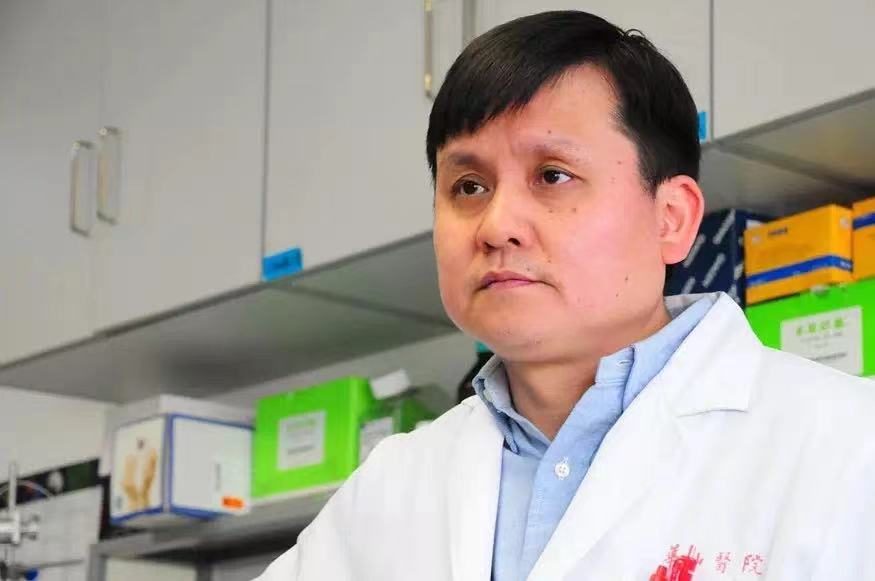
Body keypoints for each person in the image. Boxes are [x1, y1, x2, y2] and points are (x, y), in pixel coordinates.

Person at [256, 11, 875, 580]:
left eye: (553, 175)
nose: (497, 225)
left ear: (672, 218)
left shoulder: (846, 443)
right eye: (468, 186)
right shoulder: (392, 488)